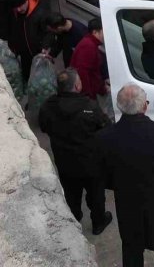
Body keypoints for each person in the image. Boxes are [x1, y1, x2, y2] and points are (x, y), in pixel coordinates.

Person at [100, 84, 154, 267]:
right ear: (145, 106)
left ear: (119, 106)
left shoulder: (105, 137)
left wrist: (121, 186)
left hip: (128, 207)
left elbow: (102, 174)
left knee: (131, 251)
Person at [38, 69, 113, 235]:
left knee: (71, 193)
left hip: (65, 161)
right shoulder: (89, 107)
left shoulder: (48, 106)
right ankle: (98, 222)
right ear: (77, 86)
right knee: (96, 194)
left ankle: (74, 219)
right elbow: (106, 127)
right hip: (90, 162)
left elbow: (43, 126)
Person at [8, 0, 48, 81]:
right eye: (16, 8)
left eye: (20, 6)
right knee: (27, 77)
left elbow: (48, 33)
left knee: (40, 79)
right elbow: (13, 29)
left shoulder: (39, 13)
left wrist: (45, 47)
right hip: (24, 54)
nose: (18, 10)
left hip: (37, 53)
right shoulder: (15, 13)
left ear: (25, 1)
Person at [70, 18, 109, 100]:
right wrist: (87, 95)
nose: (106, 35)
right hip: (87, 95)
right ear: (95, 32)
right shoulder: (88, 46)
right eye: (103, 32)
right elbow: (83, 73)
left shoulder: (89, 44)